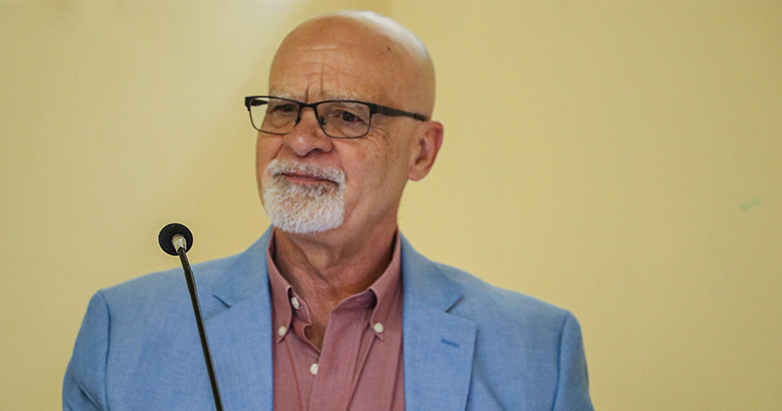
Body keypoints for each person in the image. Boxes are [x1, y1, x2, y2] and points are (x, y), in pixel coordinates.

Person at [63, 10, 593, 411]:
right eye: (283, 108)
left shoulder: (537, 352)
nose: (301, 140)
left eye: (345, 116)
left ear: (421, 152)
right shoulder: (122, 332)